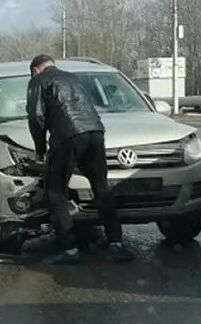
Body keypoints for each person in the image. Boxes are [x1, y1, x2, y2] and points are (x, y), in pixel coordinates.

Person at [26, 54, 134, 264]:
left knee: (55, 193)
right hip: (95, 131)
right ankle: (116, 244)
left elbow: (35, 116)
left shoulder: (38, 81)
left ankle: (70, 249)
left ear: (35, 70)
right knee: (102, 189)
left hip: (67, 136)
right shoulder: (73, 78)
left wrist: (40, 149)